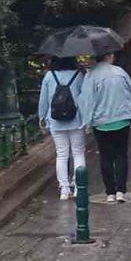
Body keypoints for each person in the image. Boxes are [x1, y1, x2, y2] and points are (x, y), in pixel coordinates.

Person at [79, 52, 131, 204]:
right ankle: (121, 190)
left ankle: (110, 193)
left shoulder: (91, 76)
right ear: (109, 56)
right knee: (121, 155)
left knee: (105, 156)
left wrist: (87, 121)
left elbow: (87, 100)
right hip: (122, 119)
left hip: (101, 122)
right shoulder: (120, 72)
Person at [37, 57, 87, 201]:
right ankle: (79, 187)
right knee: (78, 153)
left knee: (61, 154)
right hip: (76, 119)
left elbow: (44, 100)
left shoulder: (49, 76)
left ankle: (64, 189)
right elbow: (84, 97)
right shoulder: (78, 75)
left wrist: (42, 117)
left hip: (55, 120)